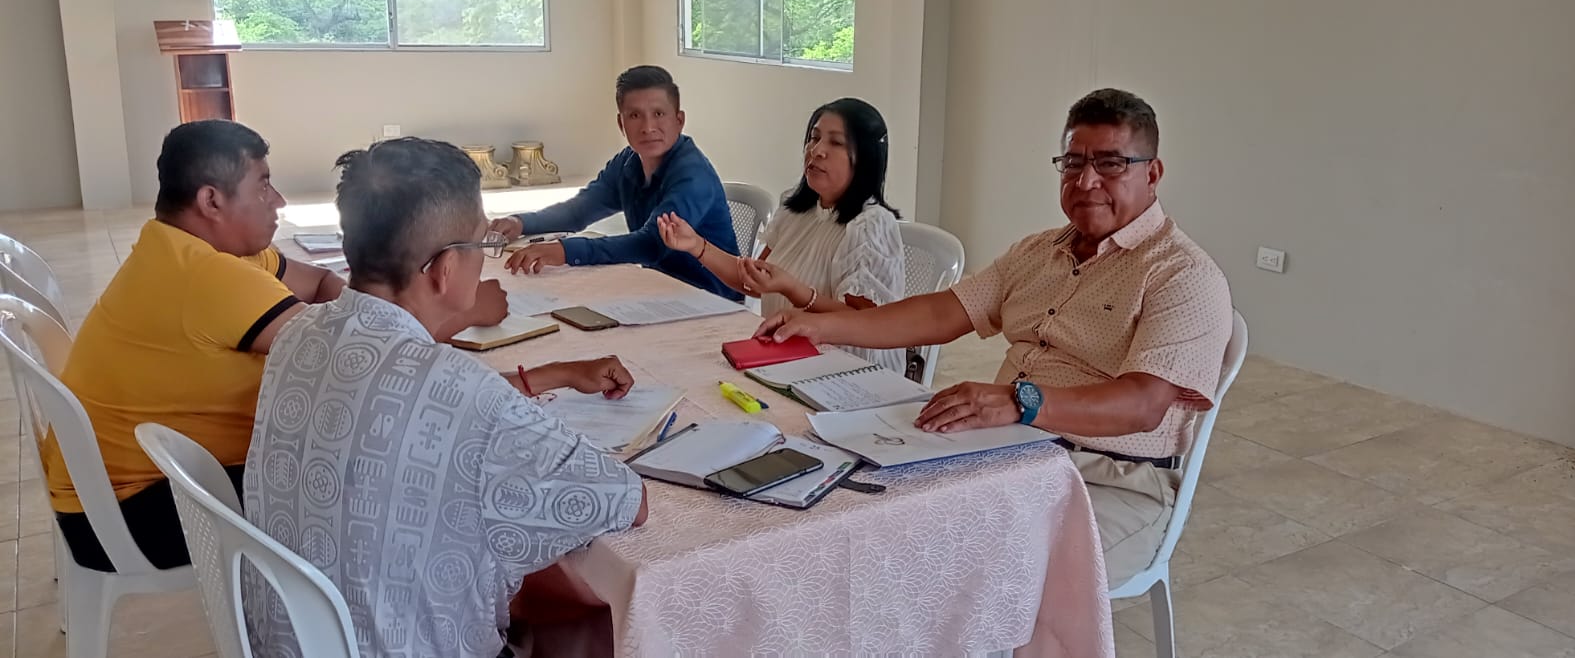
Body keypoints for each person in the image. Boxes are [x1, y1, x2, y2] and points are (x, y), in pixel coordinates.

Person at [756, 89, 1233, 585]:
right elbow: (943, 312)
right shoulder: (1038, 252)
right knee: (863, 521)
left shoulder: (1182, 275)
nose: (1086, 181)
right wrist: (821, 323)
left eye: (1111, 164)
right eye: (1073, 162)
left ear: (1152, 173)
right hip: (1007, 450)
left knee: (973, 577)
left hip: (1110, 480)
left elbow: (1143, 405)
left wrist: (1020, 401)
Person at [45, 121, 509, 574]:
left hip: (112, 491)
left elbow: (323, 284)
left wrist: (374, 310)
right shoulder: (208, 278)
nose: (279, 201)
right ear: (211, 200)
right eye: (263, 185)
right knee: (384, 469)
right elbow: (360, 366)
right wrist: (462, 312)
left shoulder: (187, 247)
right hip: (126, 515)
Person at [244, 137, 647, 658]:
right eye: (482, 244)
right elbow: (628, 501)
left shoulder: (300, 335)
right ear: (444, 268)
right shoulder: (464, 391)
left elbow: (418, 398)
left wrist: (555, 375)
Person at [657, 97, 907, 372]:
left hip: (850, 375)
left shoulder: (870, 225)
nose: (817, 151)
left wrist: (794, 290)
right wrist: (696, 245)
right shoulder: (796, 211)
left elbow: (868, 325)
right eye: (814, 138)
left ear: (865, 159)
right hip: (789, 360)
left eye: (836, 143)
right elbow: (754, 282)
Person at [491, 65, 742, 300]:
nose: (648, 127)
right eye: (635, 115)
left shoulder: (693, 175)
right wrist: (520, 222)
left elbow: (650, 245)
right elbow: (579, 211)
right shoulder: (628, 161)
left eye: (658, 114)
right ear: (621, 124)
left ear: (679, 120)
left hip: (711, 301)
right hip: (657, 290)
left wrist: (566, 251)